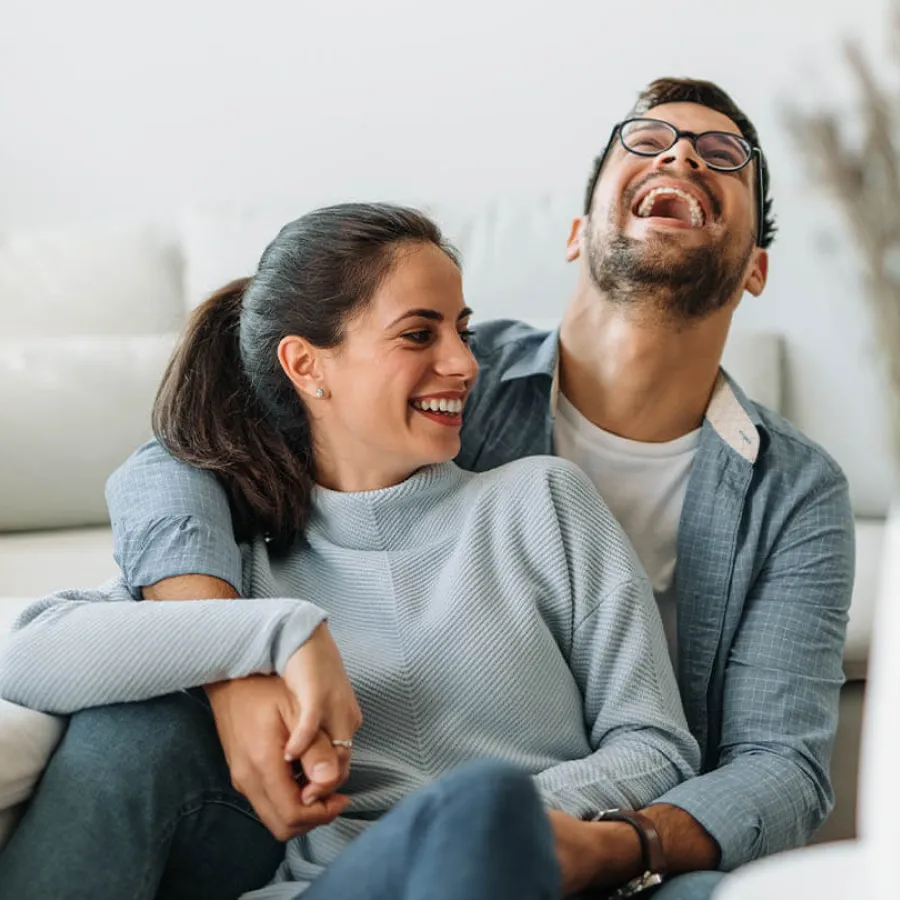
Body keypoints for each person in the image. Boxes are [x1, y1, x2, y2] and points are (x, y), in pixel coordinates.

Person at [0, 203, 699, 900]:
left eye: (462, 330)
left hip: (536, 867)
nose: (462, 364)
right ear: (307, 365)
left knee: (491, 805)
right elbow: (27, 658)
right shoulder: (242, 558)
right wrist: (277, 631)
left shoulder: (542, 502)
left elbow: (657, 746)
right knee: (121, 729)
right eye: (419, 334)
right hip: (343, 887)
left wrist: (485, 819)